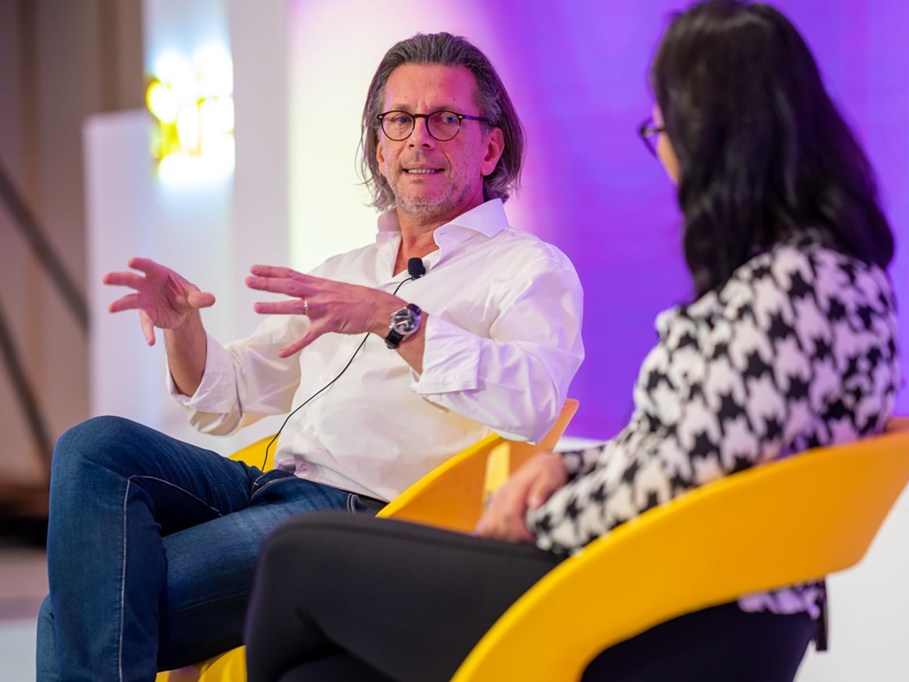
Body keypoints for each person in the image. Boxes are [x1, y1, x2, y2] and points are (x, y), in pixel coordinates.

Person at [243, 2, 900, 681]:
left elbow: (682, 475)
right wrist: (569, 470)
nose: (666, 150)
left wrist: (538, 516)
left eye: (664, 127)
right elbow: (686, 450)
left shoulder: (797, 288)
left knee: (295, 555)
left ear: (726, 135)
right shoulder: (813, 278)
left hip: (673, 605)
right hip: (646, 578)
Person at [36, 32, 585, 681]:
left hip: (359, 516)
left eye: (445, 120)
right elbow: (228, 397)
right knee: (95, 448)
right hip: (265, 490)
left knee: (70, 610)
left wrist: (394, 317)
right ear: (379, 148)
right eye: (400, 121)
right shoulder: (346, 270)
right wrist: (185, 330)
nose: (419, 140)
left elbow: (531, 403)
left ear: (490, 144)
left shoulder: (528, 269)